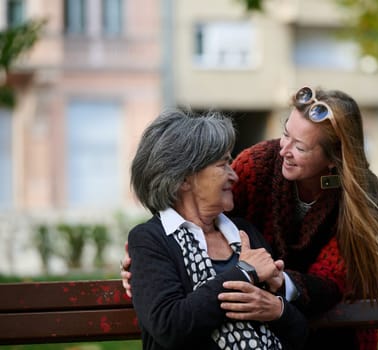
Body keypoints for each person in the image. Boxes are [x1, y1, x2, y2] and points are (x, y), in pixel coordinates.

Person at [122, 86, 378, 349]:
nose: (284, 149)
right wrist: (146, 264)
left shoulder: (359, 198)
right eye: (286, 133)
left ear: (332, 159)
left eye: (300, 146)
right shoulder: (260, 166)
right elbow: (187, 208)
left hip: (330, 321)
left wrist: (276, 294)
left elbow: (330, 283)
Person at [126, 109, 309, 350]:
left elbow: (299, 332)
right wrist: (245, 272)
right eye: (223, 164)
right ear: (183, 179)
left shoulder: (244, 233)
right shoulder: (151, 239)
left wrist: (277, 310)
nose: (234, 176)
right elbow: (170, 326)